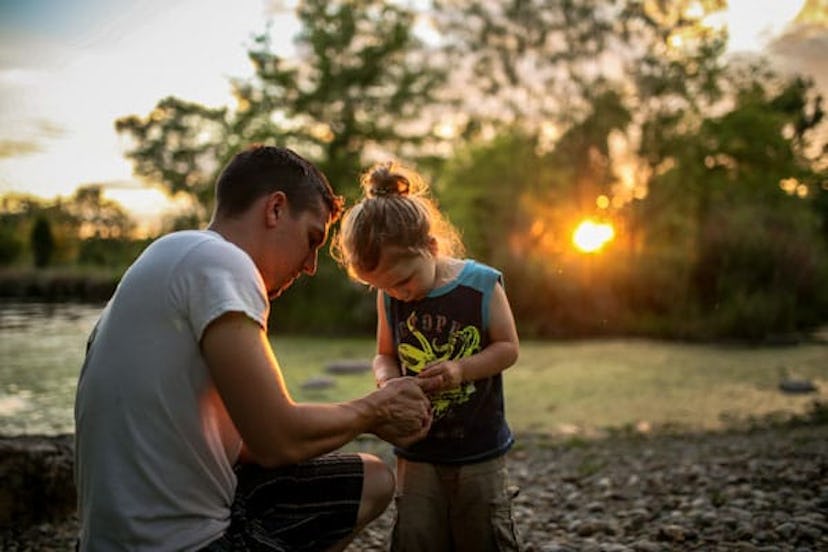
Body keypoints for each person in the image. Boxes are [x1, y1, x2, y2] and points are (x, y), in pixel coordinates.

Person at [74, 145, 433, 551]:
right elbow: (275, 439)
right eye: (312, 239)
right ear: (275, 209)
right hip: (181, 545)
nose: (311, 265)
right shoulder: (222, 261)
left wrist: (358, 417)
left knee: (371, 479)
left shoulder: (169, 257)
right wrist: (376, 409)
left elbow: (246, 447)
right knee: (372, 479)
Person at [331, 161, 523, 551]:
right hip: (417, 448)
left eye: (403, 281)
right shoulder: (391, 295)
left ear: (431, 248)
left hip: (478, 445)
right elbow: (384, 355)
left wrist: (459, 369)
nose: (399, 294)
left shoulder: (481, 284)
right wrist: (389, 382)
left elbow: (507, 348)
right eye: (384, 288)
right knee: (417, 533)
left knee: (483, 530)